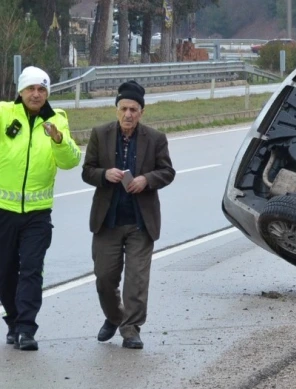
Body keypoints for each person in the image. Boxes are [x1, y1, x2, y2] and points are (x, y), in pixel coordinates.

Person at [81, 81, 175, 349]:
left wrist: (147, 179)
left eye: (133, 109)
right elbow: (87, 170)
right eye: (123, 108)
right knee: (104, 277)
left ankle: (131, 329)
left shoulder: (155, 139)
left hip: (139, 222)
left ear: (142, 112)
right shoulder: (100, 134)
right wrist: (103, 174)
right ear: (116, 109)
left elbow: (168, 172)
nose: (128, 114)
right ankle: (114, 316)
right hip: (107, 221)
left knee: (136, 280)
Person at [0, 66, 82, 351]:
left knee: (32, 269)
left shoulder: (56, 118)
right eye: (31, 89)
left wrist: (58, 140)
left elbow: (72, 160)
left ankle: (26, 329)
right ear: (20, 91)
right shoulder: (4, 114)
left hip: (38, 213)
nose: (36, 94)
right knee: (5, 270)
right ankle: (12, 320)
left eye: (42, 89)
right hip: (4, 210)